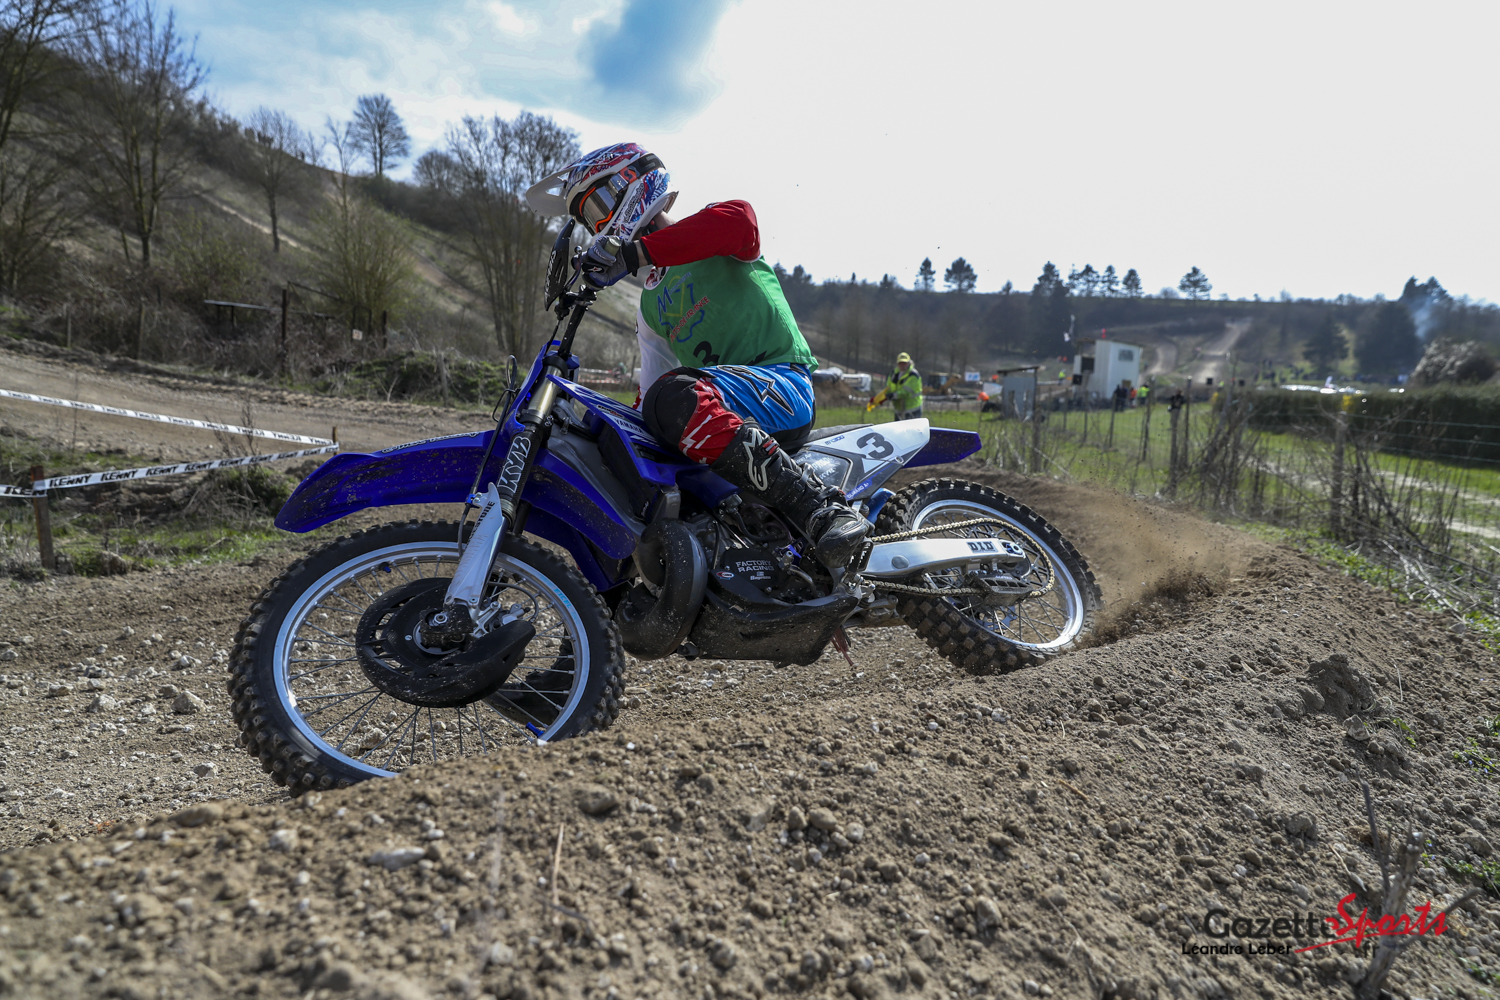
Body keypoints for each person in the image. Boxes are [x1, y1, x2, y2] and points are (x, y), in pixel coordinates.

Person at [525, 143, 869, 570]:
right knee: (614, 435)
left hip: (782, 386)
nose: (597, 225)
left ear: (630, 185)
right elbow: (647, 398)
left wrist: (635, 253)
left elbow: (741, 221)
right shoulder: (649, 305)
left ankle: (819, 507)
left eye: (596, 207)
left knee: (672, 396)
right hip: (720, 411)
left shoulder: (716, 227)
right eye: (587, 220)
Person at [879, 352, 924, 420]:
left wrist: (892, 395)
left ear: (909, 363)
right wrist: (881, 398)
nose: (902, 365)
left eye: (904, 363)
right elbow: (888, 388)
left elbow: (906, 392)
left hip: (912, 410)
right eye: (900, 363)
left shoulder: (913, 375)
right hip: (899, 410)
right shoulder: (894, 374)